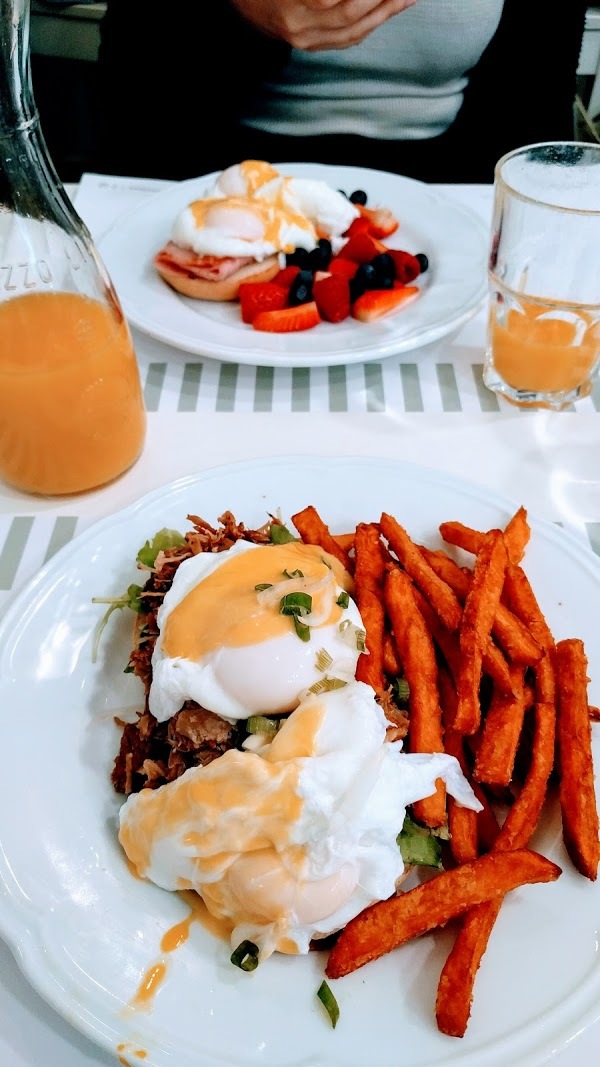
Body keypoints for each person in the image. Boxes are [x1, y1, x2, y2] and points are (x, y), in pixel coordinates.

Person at [95, 0, 588, 184]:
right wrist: (238, 14)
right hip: (208, 172)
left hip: (461, 184)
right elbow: (136, 107)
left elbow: (533, 123)